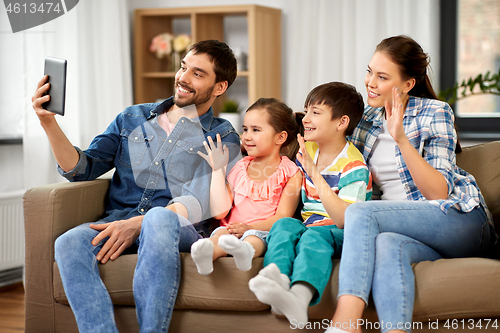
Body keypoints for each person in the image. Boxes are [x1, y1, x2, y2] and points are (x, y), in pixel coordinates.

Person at [31, 40, 242, 332]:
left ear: (220, 87)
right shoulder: (132, 117)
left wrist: (137, 225)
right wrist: (48, 122)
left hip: (175, 228)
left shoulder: (222, 134)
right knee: (68, 242)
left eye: (198, 73)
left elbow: (197, 201)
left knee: (158, 218)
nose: (183, 78)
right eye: (183, 67)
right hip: (118, 220)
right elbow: (83, 169)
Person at [326, 35, 497, 333]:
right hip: (406, 230)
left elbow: (438, 193)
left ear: (407, 84)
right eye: (369, 72)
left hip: (459, 219)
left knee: (361, 213)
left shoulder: (435, 112)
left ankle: (345, 322)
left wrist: (401, 138)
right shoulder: (365, 119)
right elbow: (336, 154)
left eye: (382, 77)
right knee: (386, 243)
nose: (370, 82)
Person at [248, 82, 372, 326]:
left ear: (341, 123)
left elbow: (345, 219)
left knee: (314, 237)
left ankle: (300, 297)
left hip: (343, 231)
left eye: (316, 112)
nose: (306, 119)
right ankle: (277, 280)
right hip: (310, 225)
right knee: (283, 225)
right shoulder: (309, 149)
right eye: (307, 111)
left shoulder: (354, 166)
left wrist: (314, 172)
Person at [190, 98, 303, 275]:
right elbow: (220, 213)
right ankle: (207, 256)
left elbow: (282, 217)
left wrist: (249, 228)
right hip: (230, 229)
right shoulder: (240, 167)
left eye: (255, 130)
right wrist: (217, 170)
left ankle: (243, 252)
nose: (247, 136)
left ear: (280, 137)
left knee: (254, 241)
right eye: (245, 129)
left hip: (262, 232)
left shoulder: (291, 172)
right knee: (220, 235)